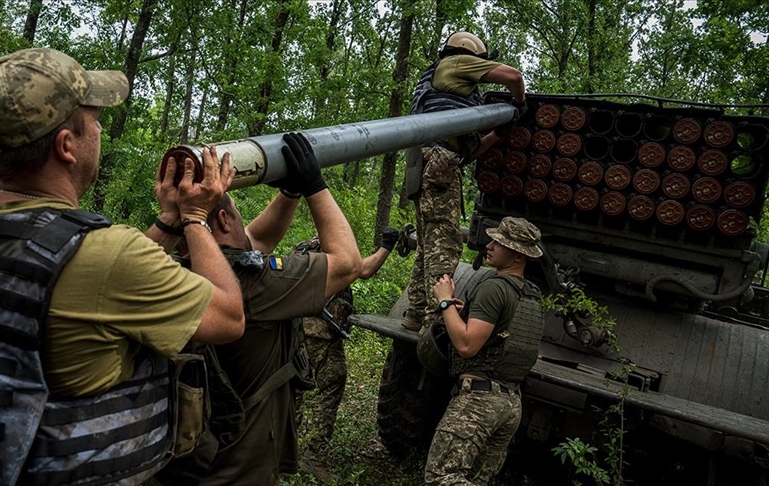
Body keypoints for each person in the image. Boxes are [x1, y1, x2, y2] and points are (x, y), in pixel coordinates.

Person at [0, 47, 245, 486]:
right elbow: (229, 317)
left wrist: (167, 221)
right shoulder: (109, 255)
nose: (101, 128)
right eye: (94, 120)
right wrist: (195, 219)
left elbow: (83, 276)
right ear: (67, 146)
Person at [156, 132, 362, 485]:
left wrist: (289, 192)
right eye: (236, 213)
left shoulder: (173, 268)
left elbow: (256, 240)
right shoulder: (253, 284)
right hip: (239, 468)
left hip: (188, 462)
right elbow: (346, 263)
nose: (243, 223)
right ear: (222, 223)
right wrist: (315, 185)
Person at [404, 31, 527, 333]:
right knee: (445, 245)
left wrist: (499, 133)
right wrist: (520, 103)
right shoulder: (456, 63)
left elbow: (467, 151)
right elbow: (513, 76)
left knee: (428, 246)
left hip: (431, 167)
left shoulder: (443, 95)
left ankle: (415, 312)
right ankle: (435, 322)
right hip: (440, 167)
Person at [423, 217, 545, 485]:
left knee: (442, 478)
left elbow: (467, 346)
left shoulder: (494, 287)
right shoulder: (530, 296)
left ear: (517, 256)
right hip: (511, 403)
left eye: (499, 243)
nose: (488, 245)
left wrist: (445, 302)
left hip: (479, 402)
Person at [292, 227, 399, 461]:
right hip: (320, 334)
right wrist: (386, 246)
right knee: (330, 384)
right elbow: (365, 269)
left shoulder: (303, 249)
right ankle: (314, 455)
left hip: (298, 332)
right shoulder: (330, 251)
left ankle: (284, 449)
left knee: (294, 388)